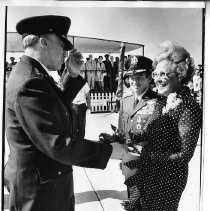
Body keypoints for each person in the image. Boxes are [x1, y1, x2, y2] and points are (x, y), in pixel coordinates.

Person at [4, 15, 125, 211]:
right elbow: (57, 145)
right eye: (61, 44)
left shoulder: (29, 73)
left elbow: (50, 106)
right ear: (43, 43)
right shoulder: (30, 81)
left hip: (41, 184)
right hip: (40, 194)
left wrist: (72, 75)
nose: (65, 52)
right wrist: (110, 151)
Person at [121, 41, 202, 210]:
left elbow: (185, 155)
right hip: (148, 173)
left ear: (180, 74)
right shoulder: (162, 101)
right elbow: (150, 132)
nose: (157, 79)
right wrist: (127, 138)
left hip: (168, 179)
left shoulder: (189, 106)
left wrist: (148, 156)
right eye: (156, 74)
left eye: (163, 74)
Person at [116, 56, 159, 210]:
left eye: (139, 77)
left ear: (149, 77)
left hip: (150, 166)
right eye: (131, 77)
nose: (134, 81)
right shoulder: (125, 101)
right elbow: (121, 133)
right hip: (129, 164)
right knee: (133, 204)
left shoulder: (159, 102)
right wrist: (122, 161)